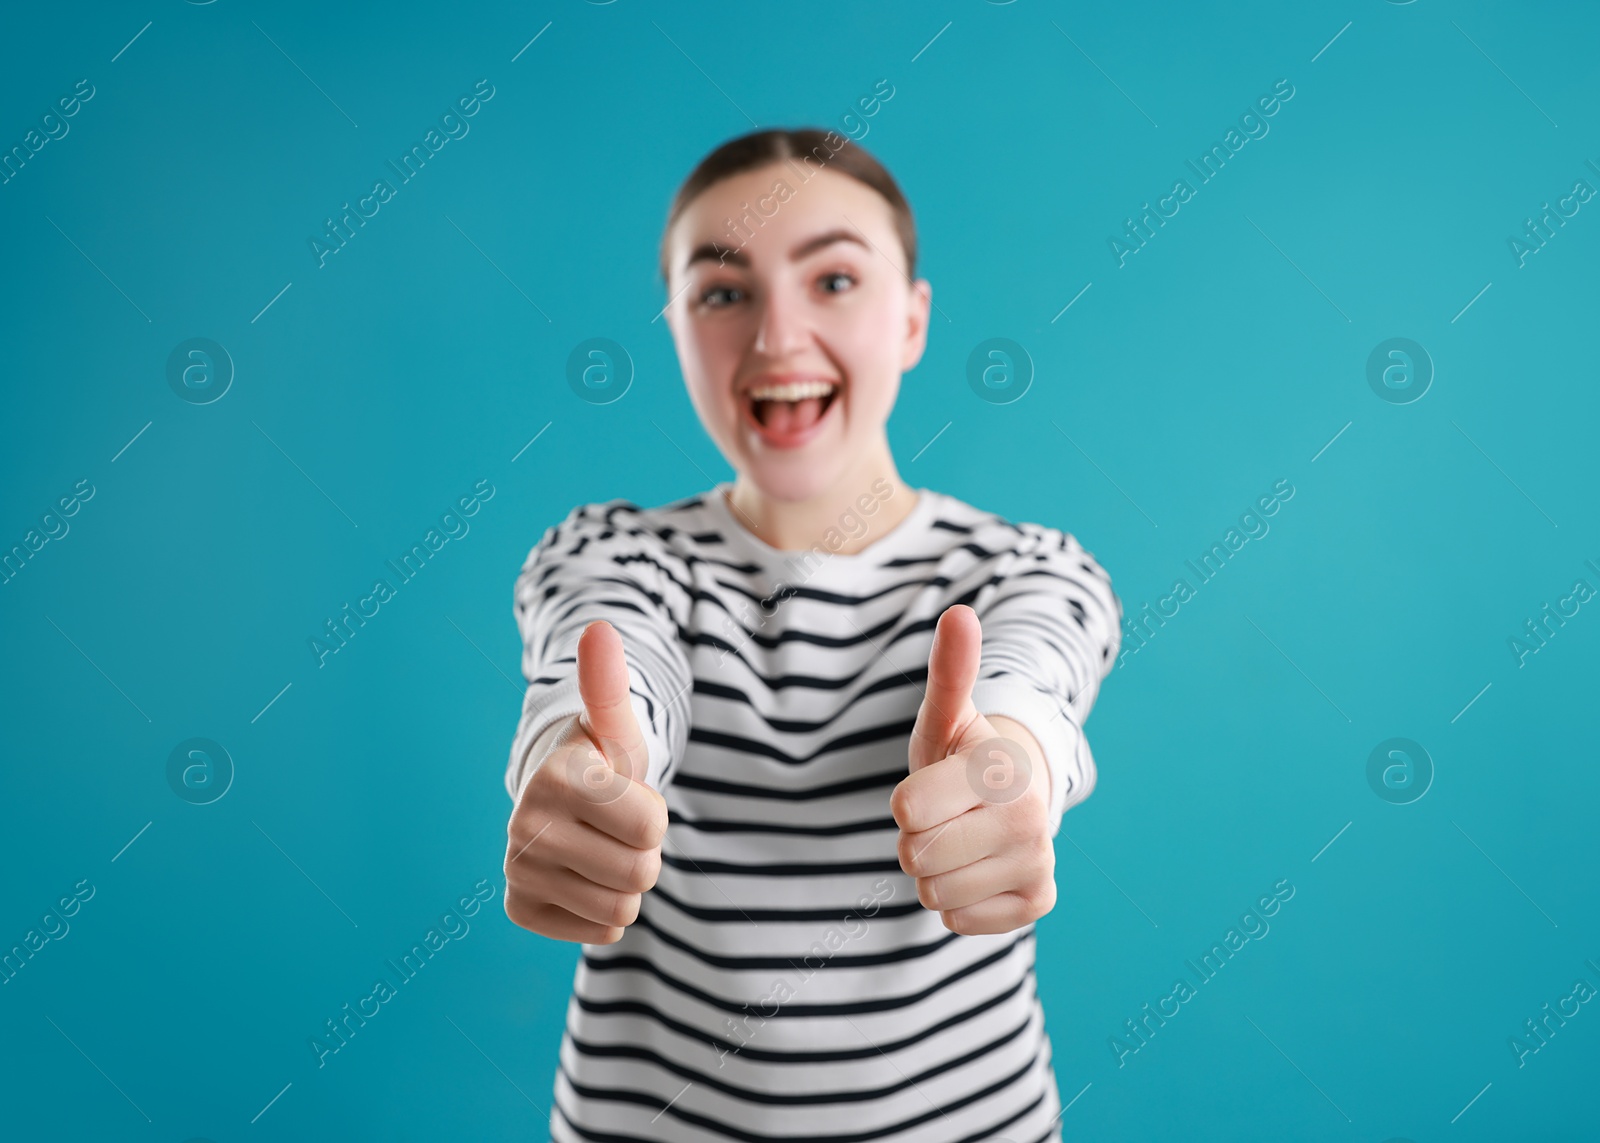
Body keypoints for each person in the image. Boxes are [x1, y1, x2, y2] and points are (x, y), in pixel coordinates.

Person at [502, 126, 1122, 1143]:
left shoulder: (1026, 570)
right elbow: (606, 656)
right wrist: (572, 763)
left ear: (913, 320)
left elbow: (1031, 676)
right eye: (721, 291)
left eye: (833, 281)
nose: (777, 340)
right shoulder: (612, 553)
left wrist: (1010, 765)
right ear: (674, 327)